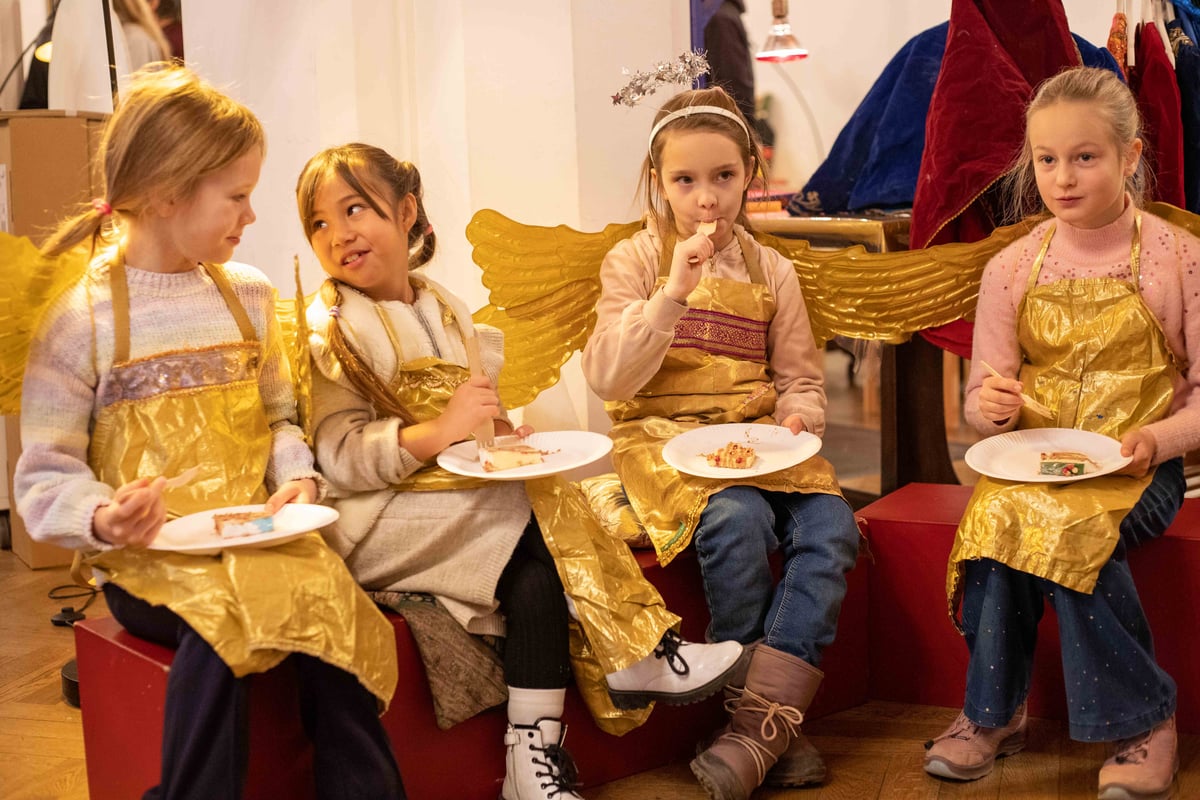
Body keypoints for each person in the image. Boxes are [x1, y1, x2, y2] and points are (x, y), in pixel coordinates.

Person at [296, 142, 744, 800]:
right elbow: (340, 456)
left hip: (446, 503)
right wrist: (442, 431)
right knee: (530, 505)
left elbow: (470, 418)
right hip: (372, 520)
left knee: (533, 582)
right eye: (318, 223)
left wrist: (498, 433)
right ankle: (640, 650)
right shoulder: (334, 326)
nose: (338, 235)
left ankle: (529, 766)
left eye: (354, 209)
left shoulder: (446, 308)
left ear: (406, 210)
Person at [13, 65, 404, 800]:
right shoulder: (80, 320)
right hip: (150, 563)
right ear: (167, 193)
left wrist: (297, 476)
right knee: (222, 626)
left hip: (260, 534)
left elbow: (281, 417)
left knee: (338, 615)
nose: (251, 216)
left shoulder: (248, 295)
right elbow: (44, 472)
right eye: (237, 196)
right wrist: (102, 515)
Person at [923, 66, 1200, 800]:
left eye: (1086, 157)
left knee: (1068, 532)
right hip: (1029, 465)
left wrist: (1162, 440)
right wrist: (994, 405)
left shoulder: (1177, 259)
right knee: (990, 522)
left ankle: (1146, 719)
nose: (1064, 178)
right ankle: (993, 713)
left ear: (1131, 156)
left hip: (1137, 467)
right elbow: (983, 399)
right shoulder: (1013, 266)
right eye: (1047, 160)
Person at [580, 86, 861, 799]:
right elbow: (610, 379)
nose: (706, 197)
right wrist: (671, 294)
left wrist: (799, 421)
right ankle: (770, 731)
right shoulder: (633, 262)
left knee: (830, 527)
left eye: (724, 177)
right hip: (661, 437)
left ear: (749, 175)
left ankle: (751, 731)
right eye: (685, 180)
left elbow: (799, 380)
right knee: (739, 519)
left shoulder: (774, 271)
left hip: (759, 442)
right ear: (658, 181)